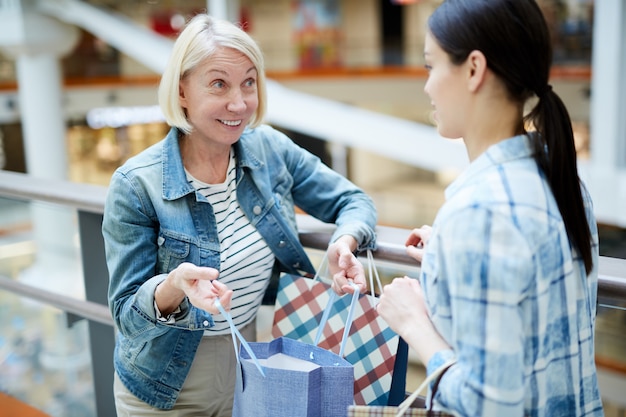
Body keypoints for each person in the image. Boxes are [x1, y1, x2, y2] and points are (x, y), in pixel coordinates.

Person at [101, 13, 377, 416]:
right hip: (162, 386)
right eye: (218, 84)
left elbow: (354, 201)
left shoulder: (268, 150)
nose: (239, 103)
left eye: (249, 82)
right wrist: (174, 285)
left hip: (249, 366)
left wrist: (343, 242)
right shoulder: (136, 185)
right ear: (181, 91)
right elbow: (127, 316)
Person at [376, 1, 604, 416]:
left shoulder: (478, 213)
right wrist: (450, 256)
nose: (427, 86)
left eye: (432, 66)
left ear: (474, 69)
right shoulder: (564, 180)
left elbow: (489, 406)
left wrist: (414, 323)